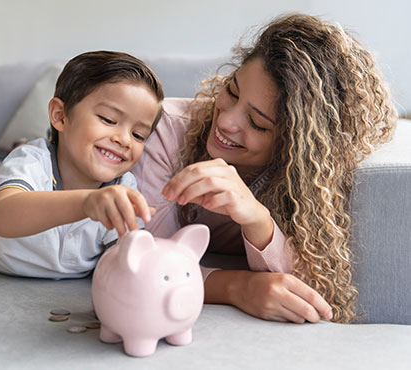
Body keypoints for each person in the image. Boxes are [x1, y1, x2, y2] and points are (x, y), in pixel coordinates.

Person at [132, 13, 397, 324]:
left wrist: (257, 218)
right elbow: (147, 261)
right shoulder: (164, 132)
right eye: (231, 91)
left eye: (257, 123)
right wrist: (237, 287)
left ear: (294, 144)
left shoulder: (313, 178)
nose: (227, 121)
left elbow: (318, 283)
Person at [0, 50, 164, 279]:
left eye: (138, 135)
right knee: (5, 186)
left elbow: (126, 260)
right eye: (108, 120)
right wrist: (87, 203)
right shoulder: (32, 161)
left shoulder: (123, 188)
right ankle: (21, 155)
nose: (124, 140)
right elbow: (2, 217)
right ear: (60, 115)